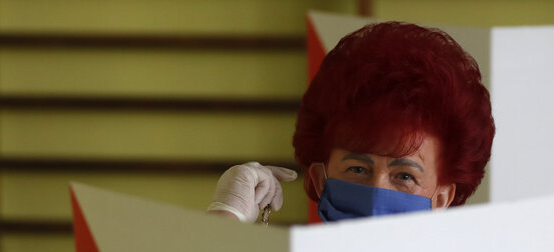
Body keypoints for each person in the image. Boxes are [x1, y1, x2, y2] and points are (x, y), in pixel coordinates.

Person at [208, 21, 494, 223]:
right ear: (320, 180)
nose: (375, 195)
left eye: (405, 176)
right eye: (357, 168)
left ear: (442, 199)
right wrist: (226, 217)